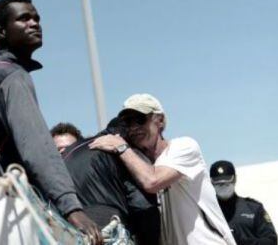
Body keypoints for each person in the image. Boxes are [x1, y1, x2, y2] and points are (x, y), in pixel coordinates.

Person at [0, 0, 102, 244]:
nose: (35, 23)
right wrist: (72, 208)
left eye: (36, 18)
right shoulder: (11, 76)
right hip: (6, 209)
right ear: (1, 31)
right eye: (24, 19)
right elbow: (37, 147)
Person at [90, 94, 237, 244]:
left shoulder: (184, 147)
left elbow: (152, 181)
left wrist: (120, 146)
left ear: (160, 120)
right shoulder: (138, 165)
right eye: (128, 122)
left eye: (140, 119)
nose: (134, 127)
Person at [62, 118, 160, 244]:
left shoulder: (69, 152)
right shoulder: (122, 152)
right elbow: (143, 207)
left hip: (67, 230)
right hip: (106, 231)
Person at [210, 160, 277, 244]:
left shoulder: (253, 208)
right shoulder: (206, 212)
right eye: (219, 184)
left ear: (234, 180)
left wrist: (244, 242)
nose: (223, 186)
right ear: (211, 183)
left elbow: (271, 241)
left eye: (227, 183)